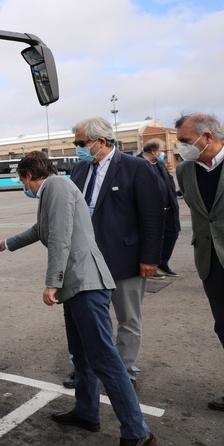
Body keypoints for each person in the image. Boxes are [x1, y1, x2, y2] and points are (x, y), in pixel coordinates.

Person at [0, 151, 157, 446]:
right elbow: (43, 230)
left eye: (22, 180)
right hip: (77, 286)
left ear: (28, 176)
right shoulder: (54, 190)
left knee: (105, 360)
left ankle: (138, 433)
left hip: (85, 284)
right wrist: (7, 244)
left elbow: (61, 237)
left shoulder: (57, 187)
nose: (24, 186)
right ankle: (87, 412)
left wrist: (52, 282)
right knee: (81, 356)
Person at [66, 117, 163, 387]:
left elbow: (152, 216)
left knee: (128, 318)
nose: (78, 148)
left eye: (81, 143)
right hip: (86, 259)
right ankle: (86, 369)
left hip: (125, 258)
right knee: (89, 319)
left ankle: (124, 370)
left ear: (101, 141)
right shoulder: (80, 169)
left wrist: (149, 258)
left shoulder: (136, 167)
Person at [174, 113, 224, 412]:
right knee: (223, 327)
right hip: (209, 261)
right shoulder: (184, 171)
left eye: (184, 140)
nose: (180, 147)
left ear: (207, 137)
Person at [138, 138, 181, 277]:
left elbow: (168, 182)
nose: (163, 153)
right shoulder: (136, 164)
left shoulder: (160, 164)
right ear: (153, 151)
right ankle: (151, 265)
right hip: (150, 212)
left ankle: (163, 262)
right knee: (152, 238)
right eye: (161, 151)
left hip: (168, 209)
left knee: (172, 234)